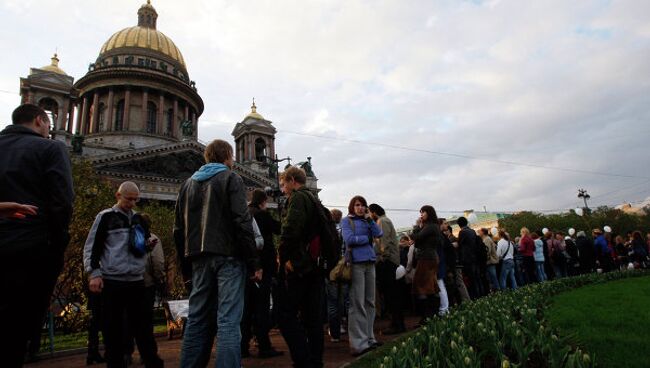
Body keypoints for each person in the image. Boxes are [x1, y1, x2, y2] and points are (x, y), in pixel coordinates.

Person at [173, 139, 261, 368]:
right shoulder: (231, 178)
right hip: (229, 258)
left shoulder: (188, 184)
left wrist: (185, 267)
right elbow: (242, 221)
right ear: (227, 156)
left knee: (197, 319)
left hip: (199, 259)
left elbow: (178, 231)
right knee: (228, 321)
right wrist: (253, 263)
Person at [0, 104, 74, 367]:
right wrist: (57, 248)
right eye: (49, 125)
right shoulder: (50, 149)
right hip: (31, 251)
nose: (50, 131)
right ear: (41, 120)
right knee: (15, 334)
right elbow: (62, 203)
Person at [83, 181, 162, 368]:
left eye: (135, 200)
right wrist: (94, 273)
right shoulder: (105, 217)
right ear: (118, 196)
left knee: (144, 330)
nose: (132, 203)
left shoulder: (139, 219)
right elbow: (91, 248)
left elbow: (139, 247)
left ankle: (153, 363)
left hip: (136, 281)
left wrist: (147, 247)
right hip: (112, 281)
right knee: (113, 332)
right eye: (129, 199)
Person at [276, 166, 325, 367]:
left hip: (299, 266)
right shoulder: (314, 199)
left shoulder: (297, 198)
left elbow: (290, 230)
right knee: (312, 318)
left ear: (292, 181)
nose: (282, 189)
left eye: (283, 184)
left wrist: (282, 256)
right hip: (315, 265)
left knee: (284, 313)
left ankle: (302, 359)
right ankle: (315, 361)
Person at [241, 189, 283, 358]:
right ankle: (264, 346)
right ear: (263, 201)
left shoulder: (245, 214)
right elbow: (279, 229)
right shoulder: (262, 215)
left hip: (247, 266)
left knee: (246, 308)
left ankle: (243, 346)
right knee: (262, 308)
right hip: (262, 267)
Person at [340, 195, 382, 356]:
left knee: (370, 302)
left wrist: (370, 220)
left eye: (363, 205)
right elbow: (349, 239)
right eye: (357, 205)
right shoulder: (347, 221)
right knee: (357, 303)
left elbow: (379, 233)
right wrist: (365, 238)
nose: (360, 207)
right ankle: (358, 343)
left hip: (370, 263)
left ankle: (370, 338)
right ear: (352, 206)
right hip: (356, 264)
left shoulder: (367, 221)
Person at [125, 213, 165, 364]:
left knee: (128, 319)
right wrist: (158, 277)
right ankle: (147, 354)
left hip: (127, 282)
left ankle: (126, 353)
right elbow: (158, 261)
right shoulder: (152, 238)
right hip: (146, 284)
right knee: (146, 321)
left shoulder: (127, 236)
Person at [369, 203, 405, 335]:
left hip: (387, 262)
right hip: (391, 261)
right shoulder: (385, 220)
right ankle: (397, 323)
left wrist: (382, 257)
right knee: (392, 294)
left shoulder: (382, 221)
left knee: (391, 295)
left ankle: (397, 324)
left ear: (373, 212)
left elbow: (382, 242)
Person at [409, 205, 441, 324]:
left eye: (423, 212)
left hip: (426, 258)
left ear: (429, 213)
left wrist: (417, 226)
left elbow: (415, 237)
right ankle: (433, 315)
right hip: (430, 257)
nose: (421, 215)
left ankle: (426, 317)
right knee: (431, 286)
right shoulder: (432, 226)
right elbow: (418, 242)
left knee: (421, 286)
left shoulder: (431, 226)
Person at [325, 208, 349, 343]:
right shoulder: (345, 229)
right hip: (344, 267)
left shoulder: (326, 230)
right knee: (344, 299)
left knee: (332, 302)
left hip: (331, 268)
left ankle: (335, 332)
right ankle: (344, 325)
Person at [457, 217, 482, 299]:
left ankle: (475, 296)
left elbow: (459, 245)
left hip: (467, 259)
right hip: (475, 257)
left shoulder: (462, 232)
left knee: (471, 280)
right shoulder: (472, 231)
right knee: (477, 278)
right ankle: (481, 294)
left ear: (459, 225)